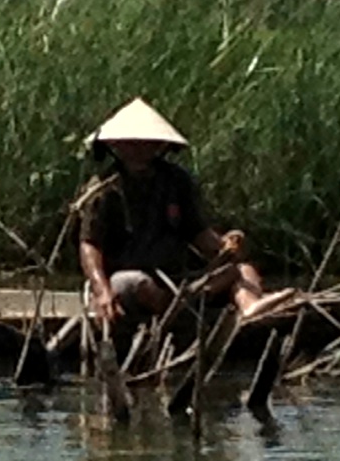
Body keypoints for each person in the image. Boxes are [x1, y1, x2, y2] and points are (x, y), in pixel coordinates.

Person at [77, 97, 283, 332]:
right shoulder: (104, 188)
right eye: (131, 143)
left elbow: (197, 232)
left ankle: (250, 309)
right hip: (131, 277)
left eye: (145, 143)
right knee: (134, 283)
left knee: (243, 270)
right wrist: (102, 290)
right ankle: (178, 309)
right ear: (117, 145)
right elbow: (89, 244)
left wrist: (224, 248)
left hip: (177, 277)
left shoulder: (176, 181)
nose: (138, 149)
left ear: (158, 145)